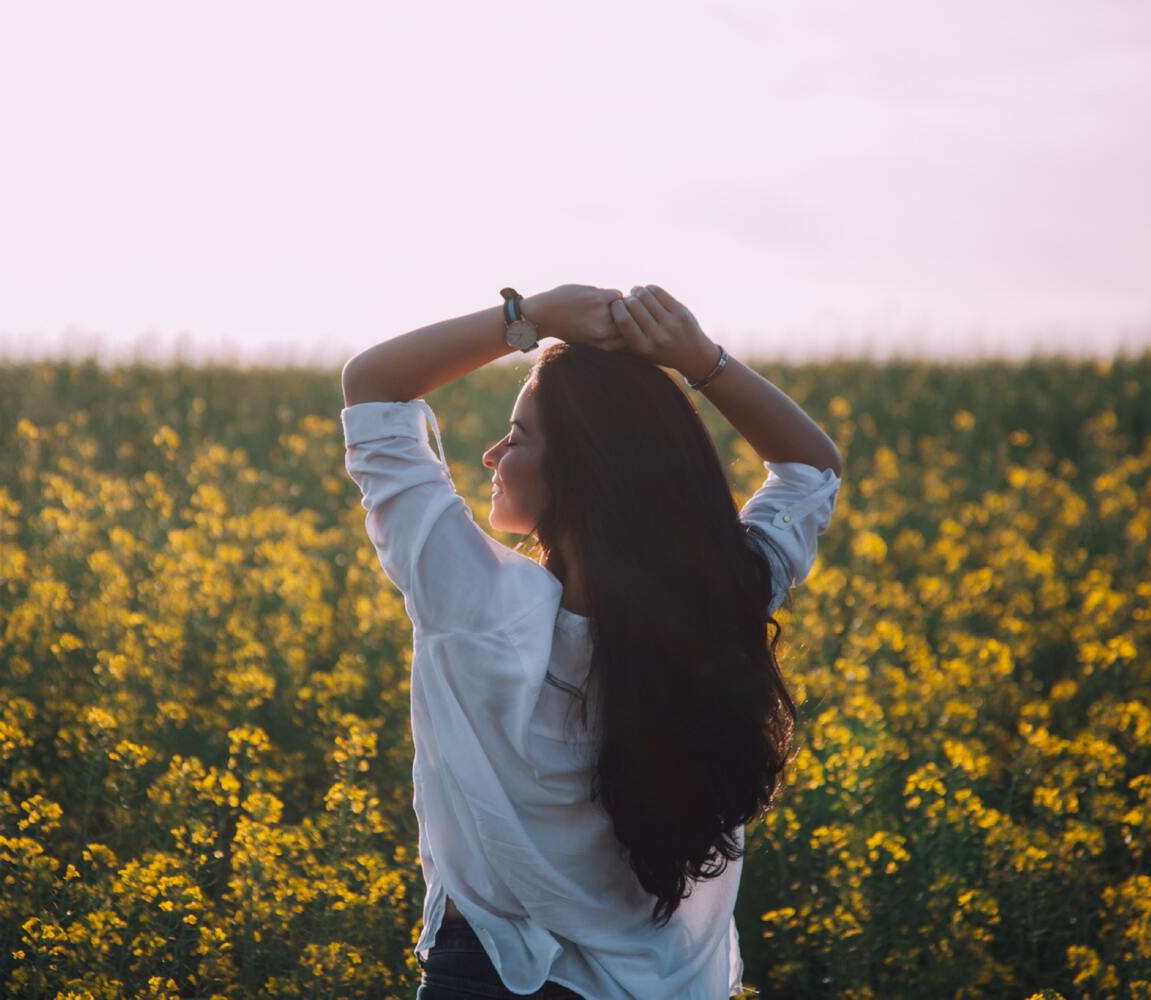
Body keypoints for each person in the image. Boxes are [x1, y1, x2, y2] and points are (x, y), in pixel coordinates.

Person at [340, 284, 843, 999]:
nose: (491, 454)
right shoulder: (721, 600)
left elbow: (373, 387)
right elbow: (812, 466)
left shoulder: (476, 604)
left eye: (516, 437)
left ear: (577, 473)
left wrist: (531, 316)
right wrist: (699, 359)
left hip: (493, 976)